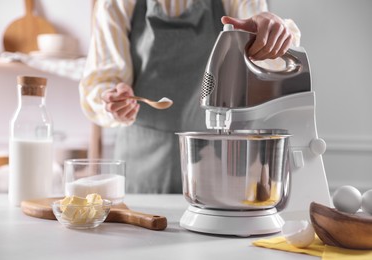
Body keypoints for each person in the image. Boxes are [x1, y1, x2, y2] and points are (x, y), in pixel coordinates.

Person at [79, 0, 301, 193]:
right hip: (142, 169)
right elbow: (102, 80)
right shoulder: (114, 3)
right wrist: (113, 99)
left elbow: (265, 54)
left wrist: (271, 34)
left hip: (218, 163)